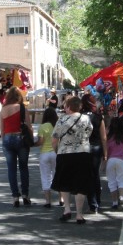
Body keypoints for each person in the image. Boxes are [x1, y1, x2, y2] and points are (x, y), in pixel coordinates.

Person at [51, 96, 94, 224]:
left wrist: (57, 150)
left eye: (65, 105)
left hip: (65, 154)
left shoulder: (62, 120)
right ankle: (79, 215)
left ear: (69, 107)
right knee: (81, 184)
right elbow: (89, 133)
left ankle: (67, 210)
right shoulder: (86, 118)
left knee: (64, 181)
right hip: (82, 153)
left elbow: (54, 139)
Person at [0, 86, 31, 207]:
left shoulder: (3, 110)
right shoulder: (22, 108)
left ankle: (15, 197)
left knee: (11, 169)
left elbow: (2, 129)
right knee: (23, 167)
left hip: (7, 138)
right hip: (21, 138)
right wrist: (31, 139)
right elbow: (29, 126)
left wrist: (4, 142)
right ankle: (25, 195)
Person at [81, 93, 107, 213]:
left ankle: (92, 203)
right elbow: (104, 137)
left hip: (84, 148)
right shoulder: (98, 116)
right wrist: (105, 153)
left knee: (87, 176)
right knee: (95, 175)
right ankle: (98, 200)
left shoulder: (80, 116)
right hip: (97, 148)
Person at [105, 117, 123, 210]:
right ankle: (121, 197)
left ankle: (114, 202)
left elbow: (106, 152)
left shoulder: (108, 138)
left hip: (111, 160)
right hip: (121, 161)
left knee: (112, 182)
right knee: (121, 180)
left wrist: (104, 162)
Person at [36, 106, 58, 207]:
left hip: (44, 153)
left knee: (45, 177)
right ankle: (61, 199)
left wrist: (33, 144)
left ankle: (48, 201)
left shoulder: (43, 126)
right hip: (56, 153)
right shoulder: (57, 125)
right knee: (57, 176)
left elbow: (41, 142)